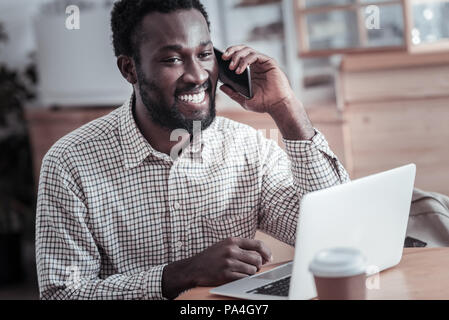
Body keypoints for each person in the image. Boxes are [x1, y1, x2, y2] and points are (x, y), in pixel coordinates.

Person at [36, 0, 349, 300]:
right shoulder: (70, 163)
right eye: (173, 59)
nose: (198, 76)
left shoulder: (246, 148)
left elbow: (335, 235)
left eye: (204, 54)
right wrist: (181, 274)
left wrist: (285, 108)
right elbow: (63, 292)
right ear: (129, 69)